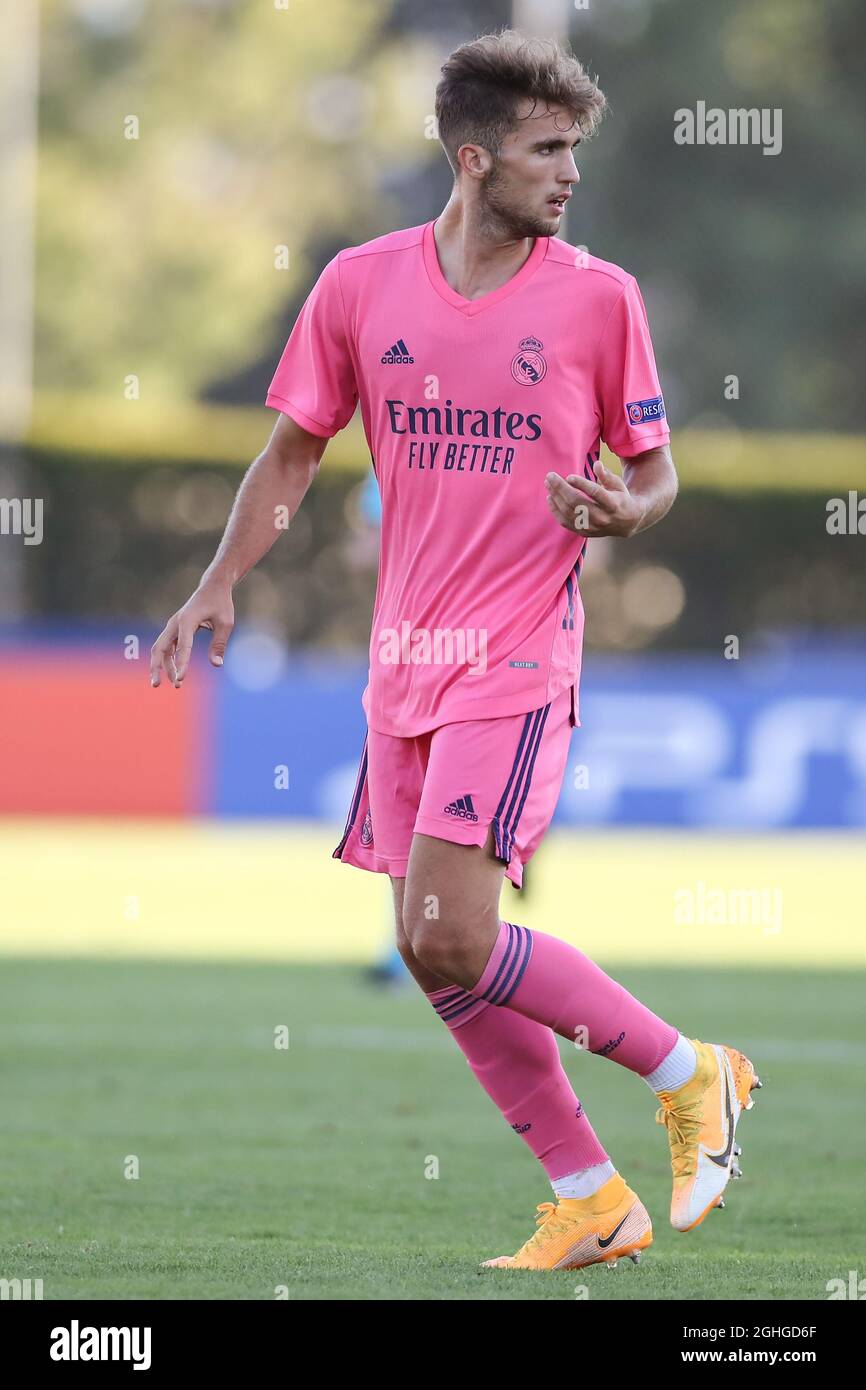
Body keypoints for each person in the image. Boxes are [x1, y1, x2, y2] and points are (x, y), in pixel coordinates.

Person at [151, 29, 760, 1272]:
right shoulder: (358, 286)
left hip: (515, 661)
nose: (569, 174)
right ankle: (589, 1195)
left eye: (574, 150)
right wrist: (220, 580)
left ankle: (691, 1069)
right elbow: (289, 451)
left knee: (446, 935)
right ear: (471, 156)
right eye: (546, 150)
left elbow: (654, 473)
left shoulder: (601, 298)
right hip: (401, 667)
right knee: (435, 956)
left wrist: (626, 513)